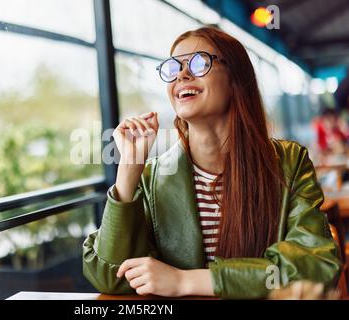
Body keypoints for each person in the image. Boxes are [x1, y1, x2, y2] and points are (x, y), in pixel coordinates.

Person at [82, 26, 342, 299]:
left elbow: (316, 266)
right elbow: (111, 276)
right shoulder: (151, 177)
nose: (182, 75)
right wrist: (127, 172)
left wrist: (186, 281)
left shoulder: (290, 162)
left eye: (198, 62)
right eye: (173, 67)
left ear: (235, 78)